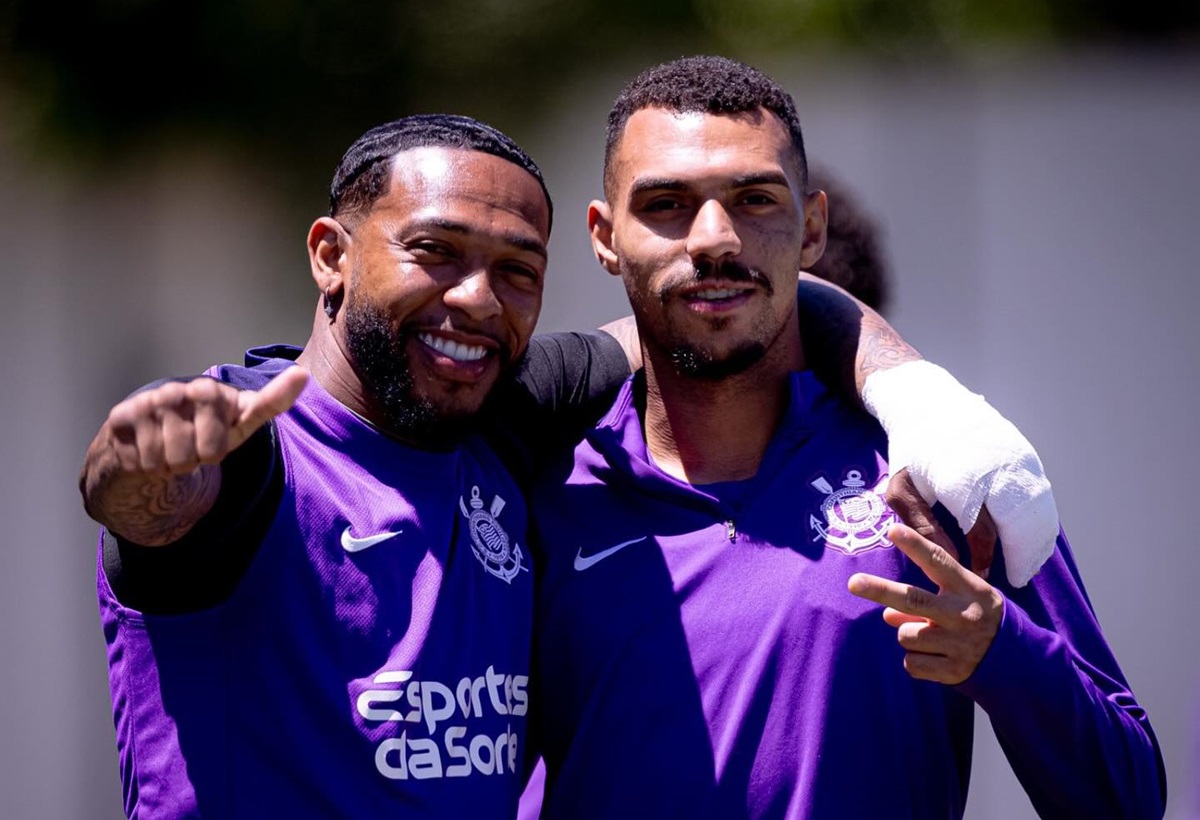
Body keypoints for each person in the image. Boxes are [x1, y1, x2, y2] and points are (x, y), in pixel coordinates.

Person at [81, 114, 1062, 817]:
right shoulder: (259, 460)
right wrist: (140, 468)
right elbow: (152, 505)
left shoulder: (505, 428)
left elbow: (724, 304)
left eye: (516, 270)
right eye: (435, 251)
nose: (476, 297)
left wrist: (917, 395)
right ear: (331, 253)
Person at [522, 56, 1166, 819]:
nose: (715, 238)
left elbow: (1127, 797)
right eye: (666, 202)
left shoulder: (940, 466)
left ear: (812, 226)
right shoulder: (539, 488)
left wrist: (1003, 656)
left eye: (755, 198)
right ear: (604, 237)